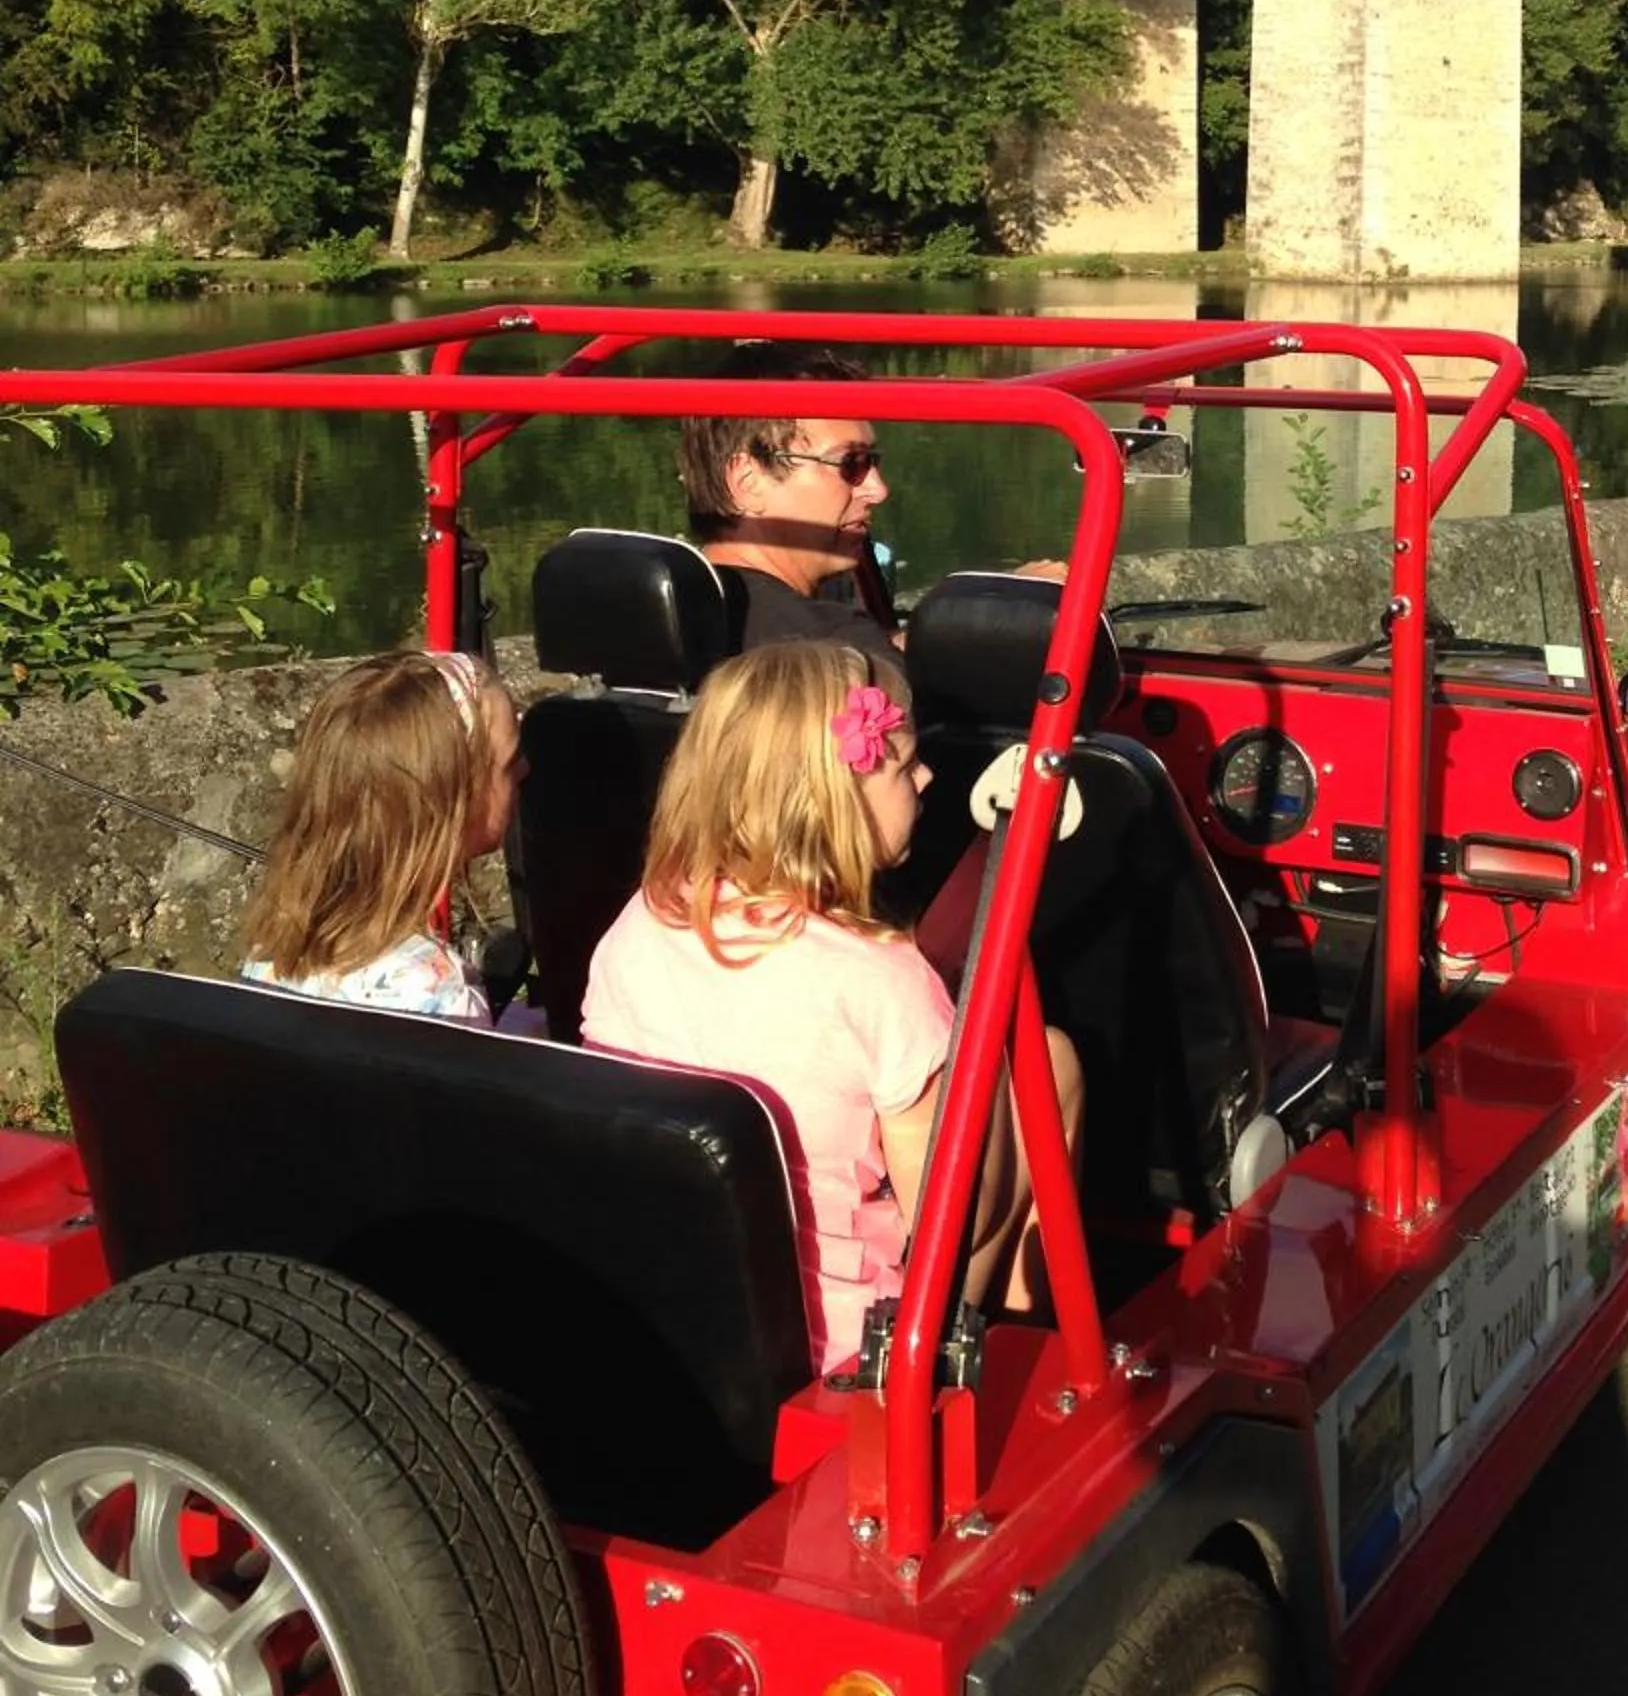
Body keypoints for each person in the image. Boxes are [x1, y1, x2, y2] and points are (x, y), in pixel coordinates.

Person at [581, 640, 1081, 1376]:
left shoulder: (639, 926)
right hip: (852, 1351)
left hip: (684, 1307)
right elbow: (963, 1219)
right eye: (905, 764)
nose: (929, 775)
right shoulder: (880, 982)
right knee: (1052, 1062)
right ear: (834, 802)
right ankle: (999, 1362)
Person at [239, 648, 525, 1022]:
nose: (524, 769)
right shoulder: (436, 991)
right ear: (450, 804)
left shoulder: (270, 953)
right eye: (509, 761)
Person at [679, 342, 902, 668]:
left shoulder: (665, 625)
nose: (878, 490)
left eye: (872, 461)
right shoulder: (842, 654)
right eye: (851, 463)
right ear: (748, 482)